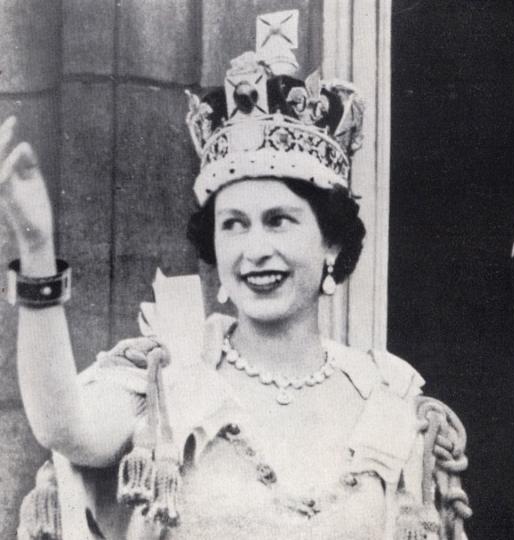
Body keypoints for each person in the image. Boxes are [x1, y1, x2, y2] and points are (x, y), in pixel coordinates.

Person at [4, 11, 469, 540]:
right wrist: (38, 250)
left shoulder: (388, 396)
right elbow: (64, 427)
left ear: (331, 243)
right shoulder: (165, 378)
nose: (255, 250)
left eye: (279, 221)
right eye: (234, 225)